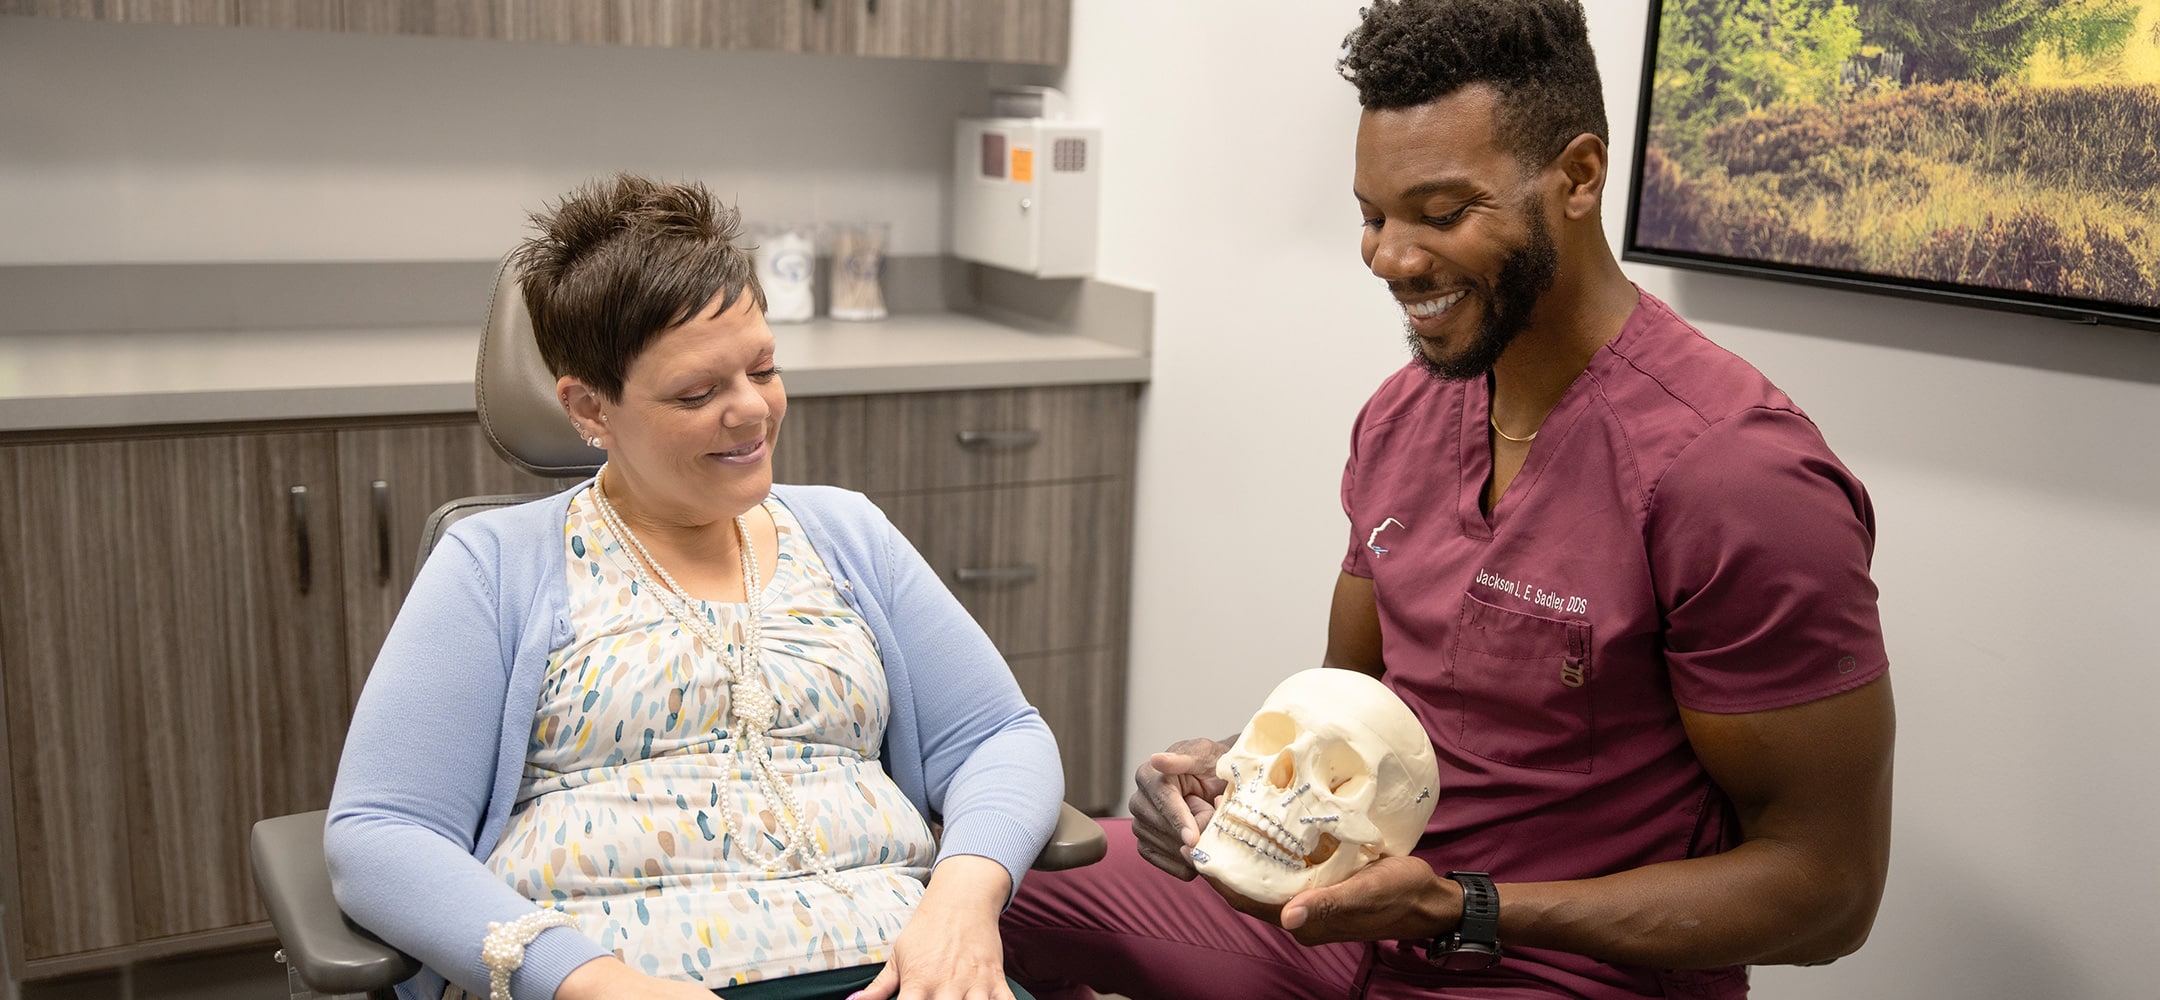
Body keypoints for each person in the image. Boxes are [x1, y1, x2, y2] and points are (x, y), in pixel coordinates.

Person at [999, 2, 1895, 998]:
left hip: (1557, 967)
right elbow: (1343, 707)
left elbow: (1828, 892)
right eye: (1373, 216)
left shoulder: (1737, 477)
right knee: (984, 888)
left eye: (1440, 214)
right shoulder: (1404, 415)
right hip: (1353, 919)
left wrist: (1467, 907)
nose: (1390, 258)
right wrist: (1231, 775)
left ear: (1578, 178)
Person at [325, 175, 1062, 1000]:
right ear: (588, 408)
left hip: (901, 966)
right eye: (697, 393)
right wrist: (590, 982)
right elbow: (382, 832)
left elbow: (999, 735)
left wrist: (962, 900)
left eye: (763, 369)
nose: (752, 411)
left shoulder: (847, 535)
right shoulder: (495, 566)